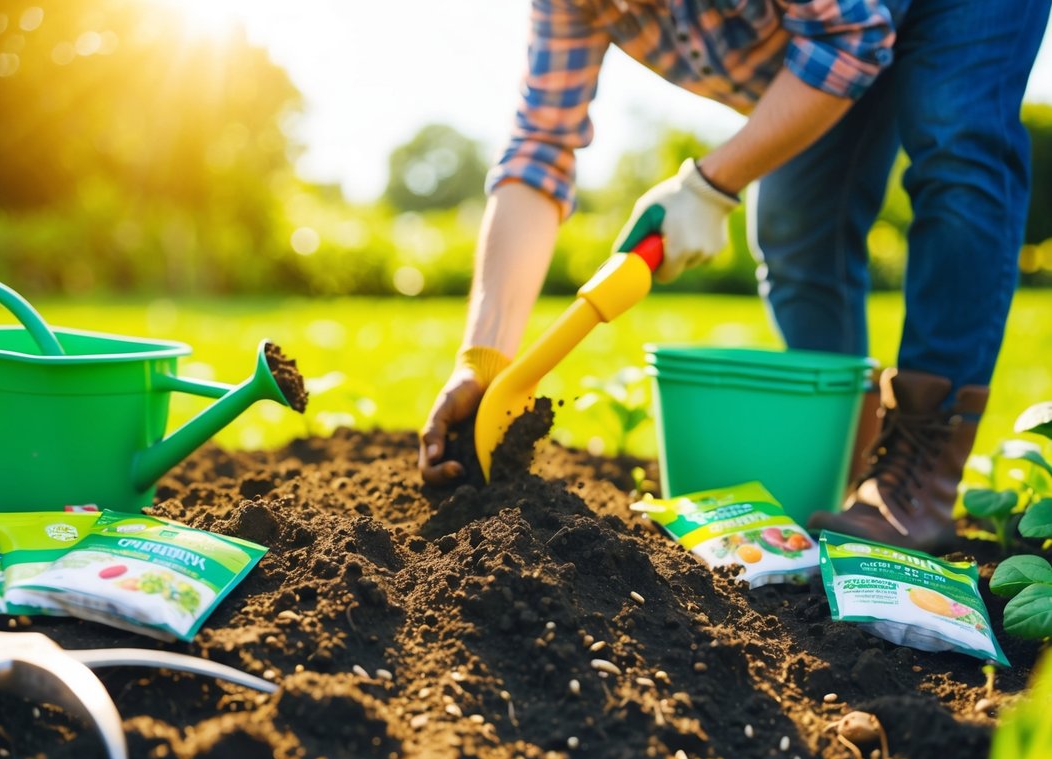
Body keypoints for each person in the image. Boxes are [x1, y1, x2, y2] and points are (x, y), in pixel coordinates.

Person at [418, 0, 1052, 553]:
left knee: (955, 132)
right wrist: (484, 360)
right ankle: (851, 461)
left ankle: (920, 468)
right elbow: (539, 150)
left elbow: (850, 37)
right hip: (846, 25)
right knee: (795, 226)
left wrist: (710, 186)